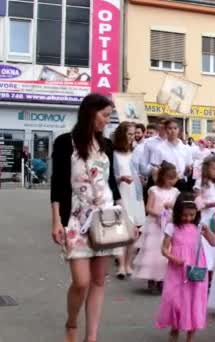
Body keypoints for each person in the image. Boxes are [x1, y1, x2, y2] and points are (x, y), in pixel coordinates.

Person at [50, 93, 120, 342]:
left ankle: (91, 337)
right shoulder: (64, 143)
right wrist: (56, 219)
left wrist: (126, 217)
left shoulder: (106, 145)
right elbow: (58, 184)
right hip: (76, 221)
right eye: (105, 115)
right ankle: (71, 323)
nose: (107, 121)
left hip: (106, 220)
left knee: (99, 280)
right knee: (81, 282)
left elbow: (111, 182)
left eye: (109, 116)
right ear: (90, 113)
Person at [156, 192, 215, 342]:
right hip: (177, 269)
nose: (188, 218)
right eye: (185, 215)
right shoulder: (172, 227)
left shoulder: (199, 226)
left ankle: (190, 336)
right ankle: (175, 329)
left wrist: (208, 231)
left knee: (194, 300)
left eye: (192, 214)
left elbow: (214, 243)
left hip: (195, 269)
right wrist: (172, 257)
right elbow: (163, 249)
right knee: (176, 300)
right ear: (178, 212)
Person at [133, 162, 180, 291]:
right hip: (155, 224)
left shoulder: (175, 192)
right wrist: (159, 214)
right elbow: (148, 208)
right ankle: (151, 278)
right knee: (153, 251)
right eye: (168, 178)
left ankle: (163, 278)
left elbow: (177, 208)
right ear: (162, 177)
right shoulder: (154, 190)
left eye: (173, 178)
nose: (171, 181)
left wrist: (171, 208)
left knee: (166, 250)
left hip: (168, 225)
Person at [112, 121, 146, 279]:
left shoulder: (136, 152)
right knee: (120, 232)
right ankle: (120, 265)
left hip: (135, 195)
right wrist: (120, 178)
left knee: (134, 233)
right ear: (121, 135)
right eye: (129, 134)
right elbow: (108, 177)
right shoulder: (113, 153)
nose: (133, 137)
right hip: (120, 194)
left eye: (134, 134)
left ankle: (128, 263)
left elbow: (142, 170)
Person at [194, 154, 215, 298]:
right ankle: (203, 278)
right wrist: (204, 203)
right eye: (214, 169)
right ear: (207, 168)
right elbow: (198, 200)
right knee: (205, 248)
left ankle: (213, 279)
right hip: (205, 217)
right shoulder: (200, 182)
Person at [150, 119, 194, 192]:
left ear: (179, 130)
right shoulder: (159, 148)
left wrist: (188, 170)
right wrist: (158, 186)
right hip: (165, 183)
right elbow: (155, 170)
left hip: (181, 182)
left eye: (175, 128)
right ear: (165, 130)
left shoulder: (186, 148)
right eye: (170, 128)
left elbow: (187, 170)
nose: (173, 131)